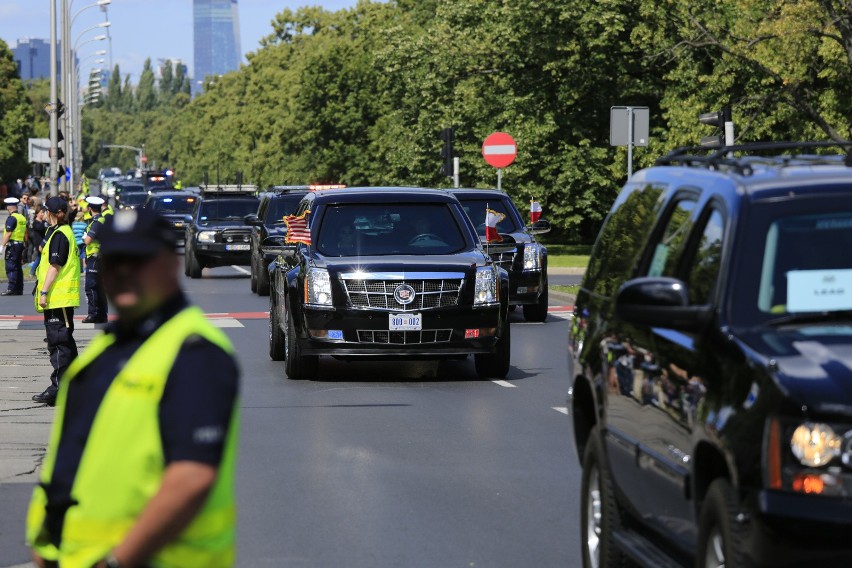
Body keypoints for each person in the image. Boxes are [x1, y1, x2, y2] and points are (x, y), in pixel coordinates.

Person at [26, 208, 241, 568]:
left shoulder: (193, 352)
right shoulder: (106, 352)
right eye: (114, 259)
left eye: (138, 260)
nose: (124, 271)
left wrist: (118, 561)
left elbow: (192, 476)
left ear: (170, 264)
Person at [32, 196, 81, 406]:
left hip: (57, 299)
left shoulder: (61, 235)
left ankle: (59, 389)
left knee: (59, 345)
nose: (43, 214)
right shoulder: (58, 232)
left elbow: (55, 266)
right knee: (65, 343)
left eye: (46, 211)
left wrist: (43, 292)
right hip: (58, 299)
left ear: (54, 213)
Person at [82, 196, 108, 323]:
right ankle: (102, 314)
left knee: (91, 287)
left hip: (95, 257)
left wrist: (84, 236)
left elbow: (88, 241)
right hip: (100, 257)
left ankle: (93, 314)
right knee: (99, 287)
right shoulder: (102, 220)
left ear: (90, 208)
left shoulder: (97, 222)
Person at [2, 196, 27, 295]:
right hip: (20, 244)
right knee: (17, 267)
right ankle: (19, 288)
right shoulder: (22, 217)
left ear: (9, 207)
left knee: (11, 266)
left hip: (12, 246)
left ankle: (11, 288)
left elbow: (8, 233)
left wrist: (1, 246)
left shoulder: (12, 218)